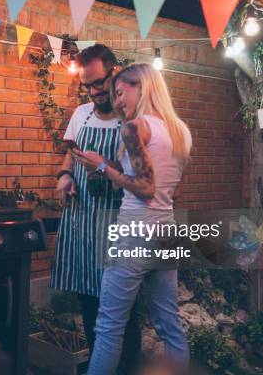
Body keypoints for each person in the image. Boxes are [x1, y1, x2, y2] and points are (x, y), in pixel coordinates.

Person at [72, 63, 192, 374]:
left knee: (109, 326)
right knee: (169, 324)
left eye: (121, 92)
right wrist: (110, 164)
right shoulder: (179, 130)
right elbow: (164, 186)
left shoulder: (134, 127)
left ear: (142, 87)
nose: (117, 101)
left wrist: (101, 168)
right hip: (166, 230)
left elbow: (145, 187)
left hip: (135, 232)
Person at [50, 44, 141, 373]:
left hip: (117, 223)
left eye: (98, 83)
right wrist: (64, 175)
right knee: (89, 302)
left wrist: (106, 168)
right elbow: (70, 154)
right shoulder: (81, 114)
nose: (93, 91)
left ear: (114, 71)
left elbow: (141, 175)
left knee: (122, 310)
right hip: (83, 222)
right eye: (86, 85)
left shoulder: (130, 117)